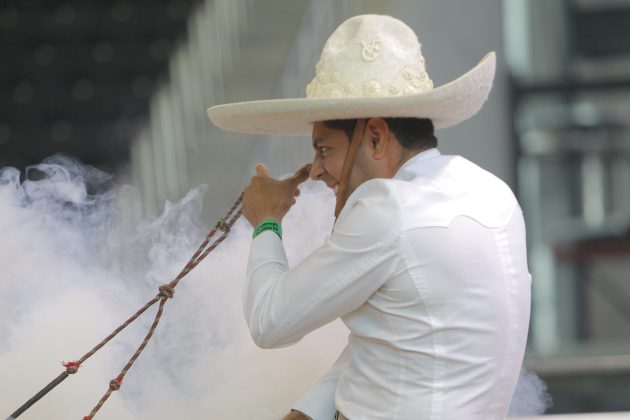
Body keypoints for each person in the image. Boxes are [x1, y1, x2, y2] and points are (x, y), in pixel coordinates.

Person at [207, 14, 531, 420]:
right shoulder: (492, 191)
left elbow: (269, 323)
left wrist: (267, 222)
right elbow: (394, 336)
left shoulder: (386, 206)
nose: (318, 170)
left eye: (324, 150)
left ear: (376, 137)